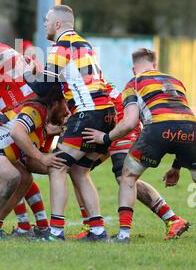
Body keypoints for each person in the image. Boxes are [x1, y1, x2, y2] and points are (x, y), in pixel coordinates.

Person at [83, 48, 195, 243]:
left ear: (134, 69)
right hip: (191, 129)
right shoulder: (175, 81)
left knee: (127, 177)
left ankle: (123, 235)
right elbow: (181, 120)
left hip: (155, 129)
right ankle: (171, 219)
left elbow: (130, 121)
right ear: (155, 65)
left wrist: (105, 138)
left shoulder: (133, 83)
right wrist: (177, 166)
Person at [24, 5, 116, 241]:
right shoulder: (83, 44)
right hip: (107, 113)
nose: (44, 24)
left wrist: (28, 73)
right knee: (79, 170)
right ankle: (97, 231)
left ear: (57, 25)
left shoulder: (60, 46)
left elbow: (45, 89)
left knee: (57, 166)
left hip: (88, 112)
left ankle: (55, 232)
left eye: (46, 20)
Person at [72, 81, 185, 240]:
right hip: (103, 121)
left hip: (120, 123)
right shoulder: (76, 76)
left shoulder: (67, 77)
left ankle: (172, 220)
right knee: (78, 170)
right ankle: (91, 225)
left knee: (125, 178)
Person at [0, 85, 67, 241]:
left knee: (25, 178)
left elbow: (29, 162)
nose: (68, 111)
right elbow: (17, 132)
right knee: (11, 176)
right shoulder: (36, 109)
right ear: (55, 102)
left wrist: (60, 167)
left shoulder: (42, 125)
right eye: (66, 104)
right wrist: (43, 158)